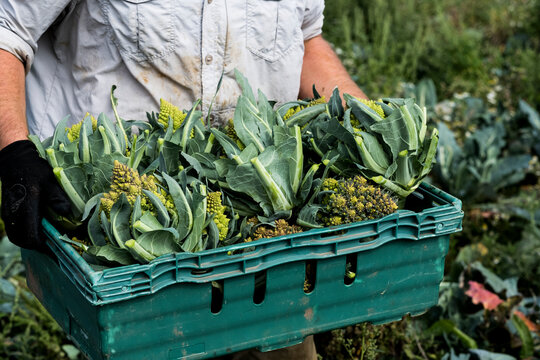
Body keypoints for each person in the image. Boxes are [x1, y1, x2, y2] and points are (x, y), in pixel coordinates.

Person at [0, 1, 367, 359]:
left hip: (261, 221)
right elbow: (8, 31)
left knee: (282, 345)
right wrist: (15, 151)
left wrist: (367, 121)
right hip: (126, 228)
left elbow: (305, 38)